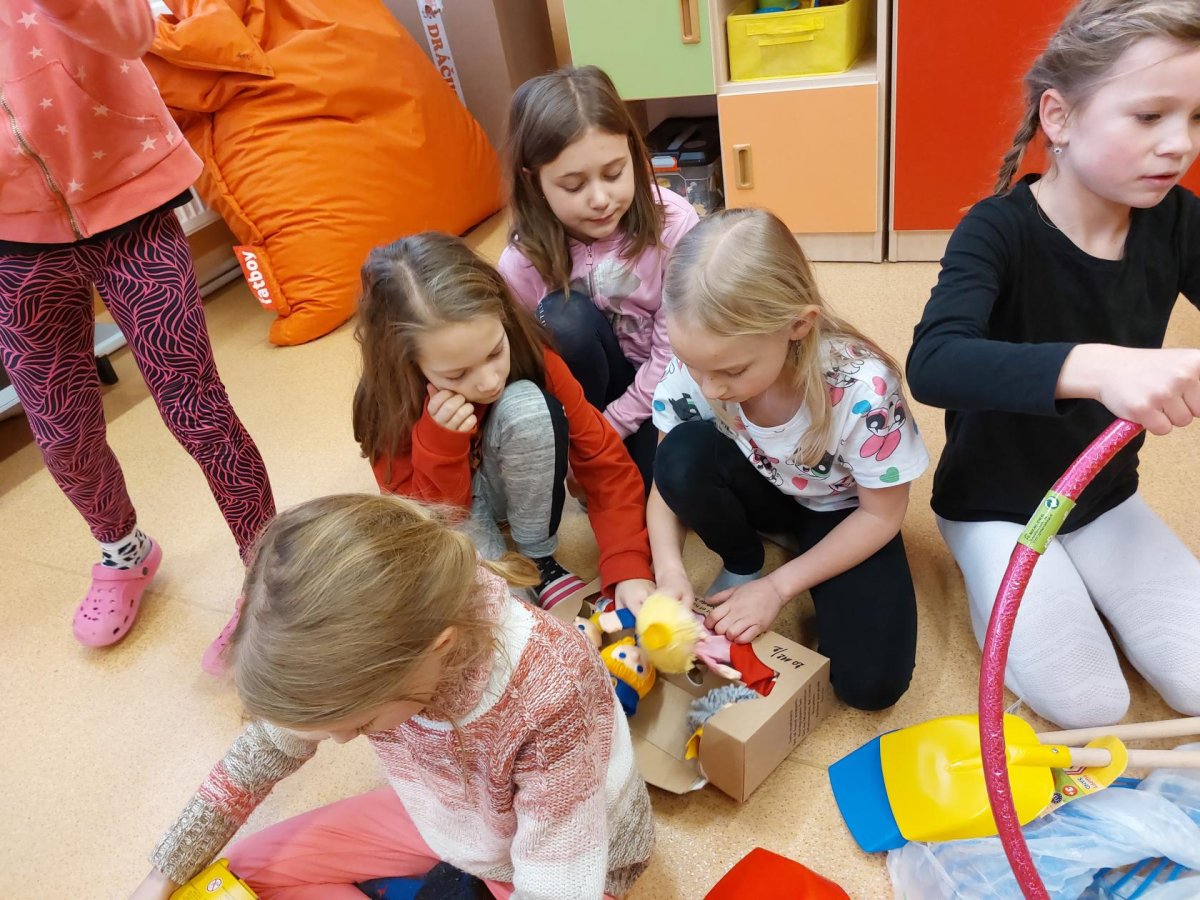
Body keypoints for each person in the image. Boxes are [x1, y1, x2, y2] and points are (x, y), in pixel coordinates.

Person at [907, 0, 1200, 728]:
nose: (1180, 146)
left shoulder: (1179, 219)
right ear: (1059, 118)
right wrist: (1101, 368)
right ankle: (988, 579)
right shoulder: (997, 229)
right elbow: (935, 361)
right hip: (994, 503)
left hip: (1104, 495)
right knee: (1090, 703)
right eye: (1149, 116)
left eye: (1196, 120)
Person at [130, 493, 654, 899]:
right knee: (241, 874)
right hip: (451, 822)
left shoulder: (552, 690)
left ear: (437, 649)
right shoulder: (374, 644)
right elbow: (262, 753)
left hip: (566, 858)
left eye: (359, 725)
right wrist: (160, 878)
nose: (340, 741)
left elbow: (558, 884)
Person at [0, 0, 274, 651]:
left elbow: (133, 30)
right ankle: (123, 549)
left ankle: (270, 571)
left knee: (197, 409)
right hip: (13, 240)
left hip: (132, 201)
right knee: (62, 432)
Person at [648, 209, 928, 712]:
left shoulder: (863, 388)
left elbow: (882, 516)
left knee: (871, 685)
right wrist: (669, 570)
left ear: (798, 325)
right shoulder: (706, 361)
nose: (709, 388)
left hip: (843, 510)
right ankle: (744, 558)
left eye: (732, 371)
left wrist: (779, 588)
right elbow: (666, 474)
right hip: (759, 483)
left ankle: (782, 558)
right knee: (679, 456)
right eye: (693, 365)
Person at [353, 232, 655, 613]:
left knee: (527, 405)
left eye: (495, 351)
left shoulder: (533, 354)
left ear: (503, 318)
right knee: (500, 612)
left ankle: (538, 559)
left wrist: (628, 563)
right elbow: (422, 525)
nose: (488, 381)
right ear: (407, 364)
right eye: (457, 374)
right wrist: (440, 444)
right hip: (449, 512)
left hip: (509, 487)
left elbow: (603, 460)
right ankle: (501, 574)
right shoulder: (387, 405)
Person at [498, 65, 699, 491]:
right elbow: (531, 367)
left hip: (660, 386)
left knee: (673, 484)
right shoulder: (521, 263)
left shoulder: (674, 224)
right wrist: (582, 437)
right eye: (573, 186)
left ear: (633, 153)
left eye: (613, 173)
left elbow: (677, 347)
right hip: (583, 402)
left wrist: (615, 425)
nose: (600, 199)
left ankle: (603, 455)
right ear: (534, 183)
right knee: (563, 317)